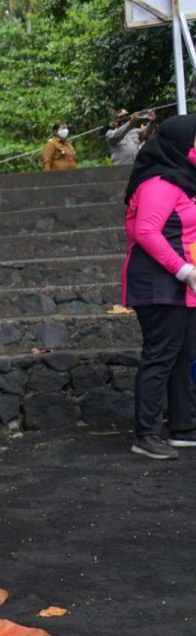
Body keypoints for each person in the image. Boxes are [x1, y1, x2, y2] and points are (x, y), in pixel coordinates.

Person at [121, 114, 196, 460]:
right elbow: (146, 232)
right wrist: (184, 271)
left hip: (178, 285)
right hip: (159, 283)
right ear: (181, 145)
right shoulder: (159, 183)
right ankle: (147, 435)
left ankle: (183, 428)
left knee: (183, 355)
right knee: (161, 356)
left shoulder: (181, 181)